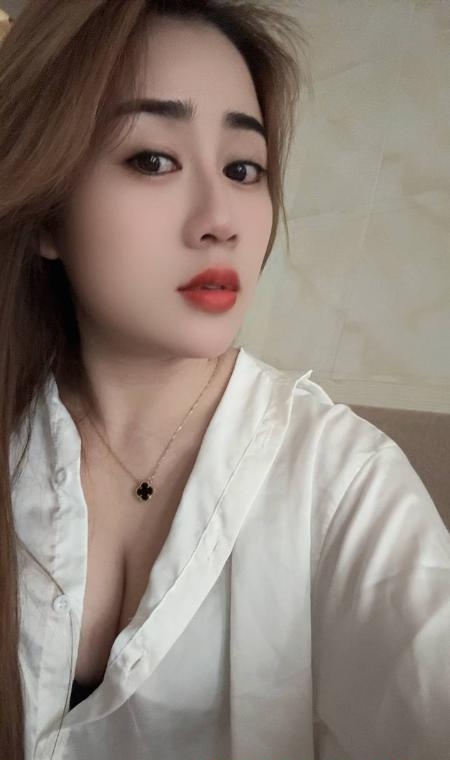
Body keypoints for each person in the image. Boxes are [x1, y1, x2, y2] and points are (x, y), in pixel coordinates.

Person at [0, 2, 448, 759]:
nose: (222, 218)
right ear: (48, 213)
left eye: (244, 169)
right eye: (153, 159)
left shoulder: (340, 482)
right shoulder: (16, 428)